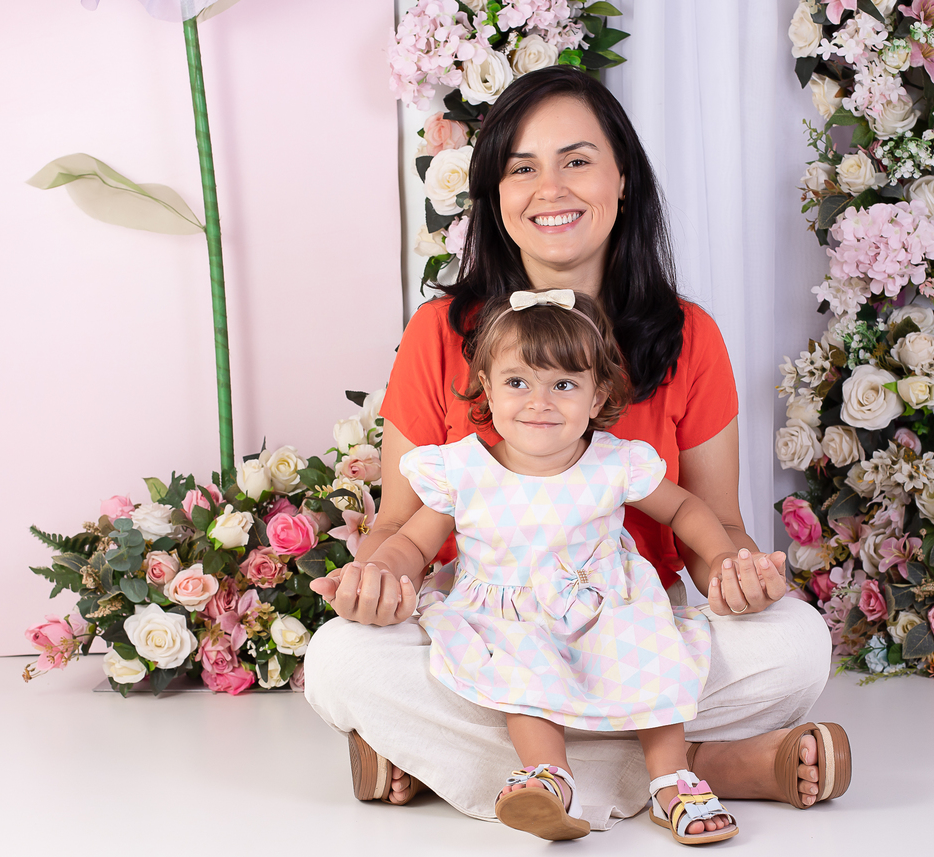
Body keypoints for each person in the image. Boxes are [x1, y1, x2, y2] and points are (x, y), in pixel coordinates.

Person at [305, 65, 849, 832]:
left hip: (628, 625)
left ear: (622, 178)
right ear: (496, 193)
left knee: (796, 643)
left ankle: (459, 762)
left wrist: (736, 574)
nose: (550, 188)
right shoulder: (438, 333)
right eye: (522, 167)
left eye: (576, 160)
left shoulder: (689, 336)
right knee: (340, 658)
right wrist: (378, 581)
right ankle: (705, 765)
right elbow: (401, 528)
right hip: (489, 623)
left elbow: (713, 522)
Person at [365, 287, 742, 843]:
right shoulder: (464, 471)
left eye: (563, 385)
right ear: (486, 388)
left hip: (606, 605)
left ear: (597, 396)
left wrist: (725, 556)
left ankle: (671, 777)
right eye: (518, 382)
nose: (539, 402)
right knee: (519, 663)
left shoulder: (614, 463)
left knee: (651, 647)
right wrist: (378, 570)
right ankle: (549, 776)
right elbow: (412, 545)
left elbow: (685, 507)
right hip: (507, 614)